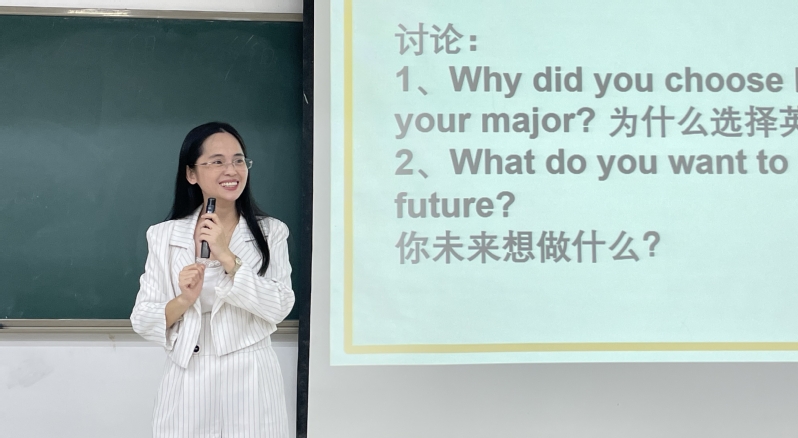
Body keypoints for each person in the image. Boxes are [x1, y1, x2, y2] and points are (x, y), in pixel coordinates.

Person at [130, 122, 295, 438]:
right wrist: (184, 300)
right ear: (191, 174)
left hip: (251, 378)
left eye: (238, 160)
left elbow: (279, 306)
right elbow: (143, 319)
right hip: (188, 377)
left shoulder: (271, 232)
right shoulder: (163, 236)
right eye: (217, 161)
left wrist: (228, 257)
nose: (231, 170)